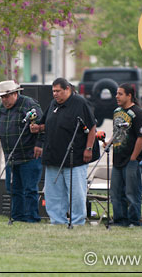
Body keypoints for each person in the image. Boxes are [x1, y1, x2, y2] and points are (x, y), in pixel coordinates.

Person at [30, 78, 98, 226]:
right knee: (53, 193)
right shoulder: (54, 104)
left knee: (76, 193)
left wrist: (89, 148)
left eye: (58, 91)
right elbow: (46, 123)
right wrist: (38, 128)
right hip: (53, 155)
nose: (55, 94)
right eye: (53, 91)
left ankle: (77, 221)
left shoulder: (80, 104)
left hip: (75, 157)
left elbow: (92, 127)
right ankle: (57, 220)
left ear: (67, 89)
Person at [0, 80, 44, 223]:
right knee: (14, 188)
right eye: (2, 97)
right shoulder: (1, 108)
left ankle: (32, 218)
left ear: (15, 93)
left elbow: (42, 125)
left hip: (30, 155)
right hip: (11, 156)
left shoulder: (30, 105)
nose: (4, 100)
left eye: (7, 96)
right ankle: (17, 217)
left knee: (30, 189)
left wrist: (39, 144)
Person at [105, 83, 142, 227]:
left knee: (132, 193)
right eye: (116, 93)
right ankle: (120, 220)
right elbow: (118, 132)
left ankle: (133, 221)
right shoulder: (117, 111)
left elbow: (141, 137)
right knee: (116, 193)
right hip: (118, 158)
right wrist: (109, 142)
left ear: (129, 96)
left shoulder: (138, 113)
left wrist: (133, 158)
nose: (116, 96)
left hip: (132, 160)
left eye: (120, 94)